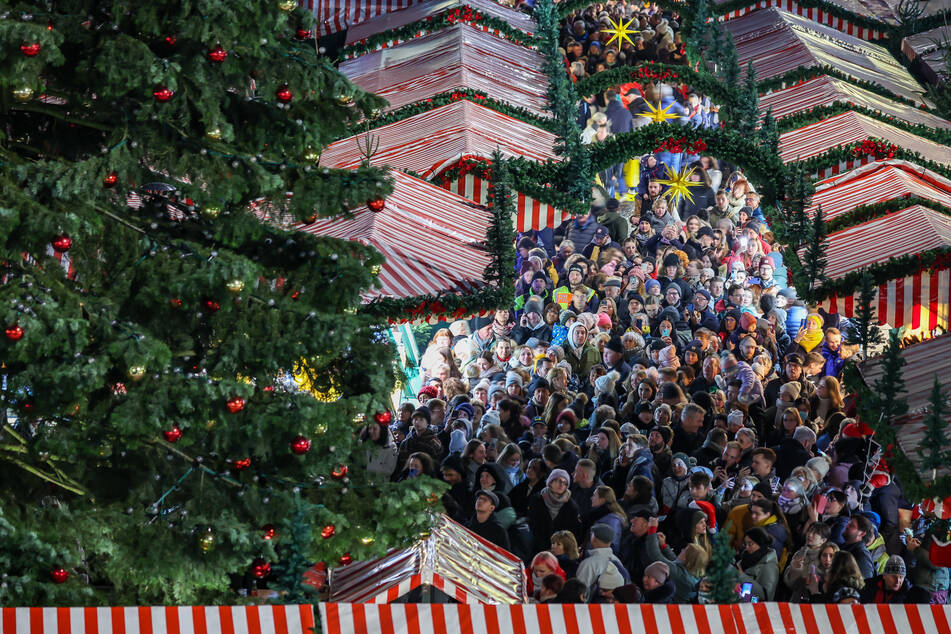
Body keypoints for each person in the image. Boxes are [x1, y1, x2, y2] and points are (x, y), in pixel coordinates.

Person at [527, 469, 582, 553]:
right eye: (559, 481)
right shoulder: (537, 499)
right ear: (550, 482)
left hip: (560, 550)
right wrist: (544, 549)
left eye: (565, 483)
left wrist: (556, 549)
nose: (561, 485)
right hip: (537, 545)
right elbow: (533, 525)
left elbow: (572, 531)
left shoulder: (571, 506)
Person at [575, 523, 631, 601]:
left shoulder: (589, 563)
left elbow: (579, 591)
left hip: (592, 609)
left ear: (594, 538)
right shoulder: (617, 560)